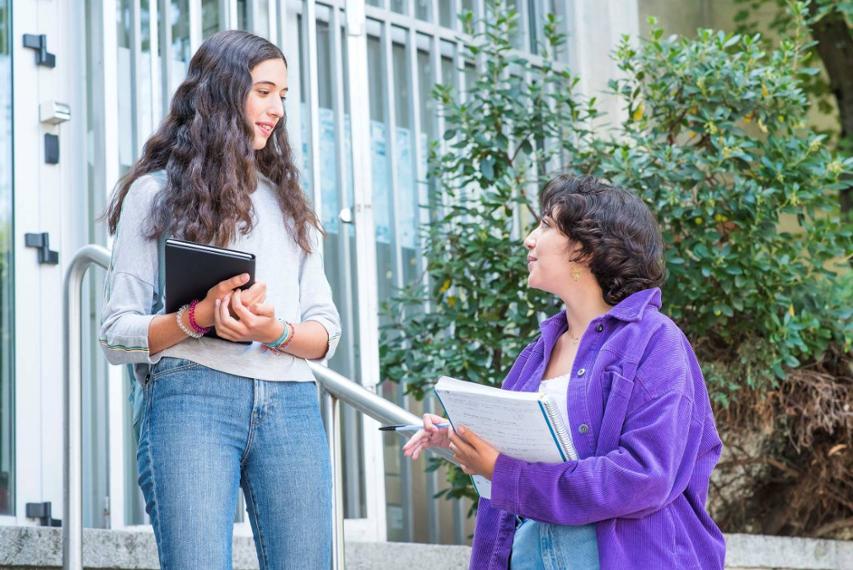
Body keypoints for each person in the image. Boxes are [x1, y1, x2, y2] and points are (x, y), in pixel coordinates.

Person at [99, 30, 341, 570]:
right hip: (190, 397)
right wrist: (196, 317)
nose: (277, 108)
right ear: (222, 92)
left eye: (283, 94)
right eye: (263, 91)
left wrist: (271, 332)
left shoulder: (290, 206)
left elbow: (326, 332)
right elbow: (116, 333)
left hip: (292, 405)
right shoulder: (155, 193)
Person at [403, 175, 726, 569]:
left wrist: (506, 474)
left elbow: (644, 476)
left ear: (585, 249)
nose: (529, 240)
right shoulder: (536, 354)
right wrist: (463, 436)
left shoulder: (656, 341)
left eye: (545, 225)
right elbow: (520, 459)